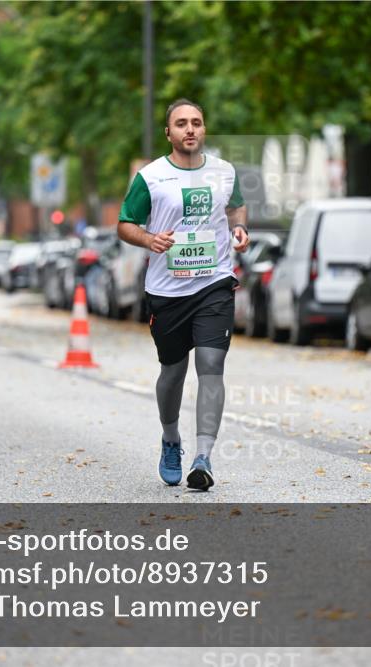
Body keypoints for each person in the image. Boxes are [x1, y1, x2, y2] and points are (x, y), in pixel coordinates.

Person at [117, 99, 248, 491]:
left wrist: (239, 230)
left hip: (214, 284)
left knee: (211, 364)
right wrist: (149, 238)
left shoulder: (223, 172)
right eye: (181, 124)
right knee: (173, 372)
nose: (190, 129)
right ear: (169, 133)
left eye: (196, 123)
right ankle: (171, 438)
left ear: (203, 130)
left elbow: (236, 209)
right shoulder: (151, 177)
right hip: (167, 291)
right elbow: (125, 224)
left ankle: (203, 457)